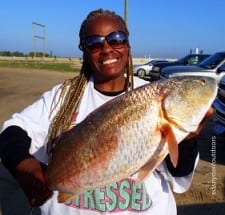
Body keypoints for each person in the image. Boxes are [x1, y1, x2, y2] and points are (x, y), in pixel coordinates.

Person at [0, 8, 212, 215]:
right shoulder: (61, 97)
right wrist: (24, 164)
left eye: (116, 38)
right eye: (94, 43)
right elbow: (13, 130)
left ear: (128, 45)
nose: (107, 48)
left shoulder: (150, 96)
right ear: (84, 51)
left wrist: (187, 142)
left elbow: (178, 175)